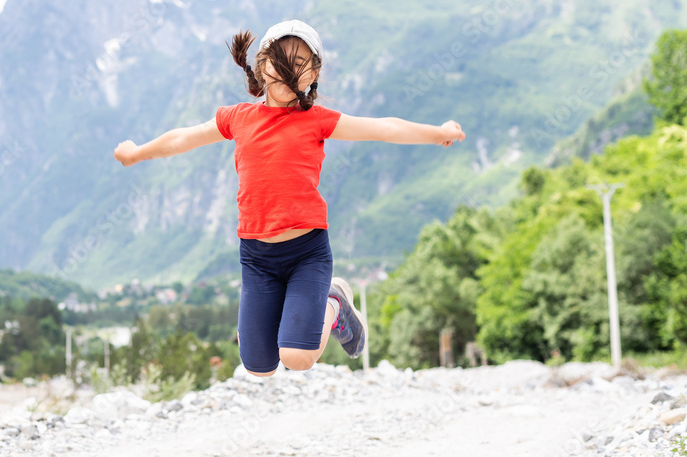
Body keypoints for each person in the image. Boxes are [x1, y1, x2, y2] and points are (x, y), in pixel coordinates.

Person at [113, 19, 465, 376]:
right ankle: (297, 311)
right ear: (263, 66)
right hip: (257, 258)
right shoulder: (238, 118)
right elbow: (183, 138)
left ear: (313, 74)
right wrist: (136, 153)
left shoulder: (317, 120)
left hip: (306, 253)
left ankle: (334, 301)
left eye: (299, 63)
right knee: (259, 367)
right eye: (279, 60)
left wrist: (438, 133)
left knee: (297, 358)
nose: (287, 70)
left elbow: (384, 127)